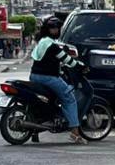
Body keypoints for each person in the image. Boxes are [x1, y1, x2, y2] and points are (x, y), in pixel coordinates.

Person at [28, 16, 88, 144]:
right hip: (48, 78)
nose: (57, 30)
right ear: (51, 30)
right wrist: (80, 66)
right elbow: (66, 60)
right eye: (55, 28)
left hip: (34, 76)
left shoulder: (42, 41)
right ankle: (75, 133)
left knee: (46, 101)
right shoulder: (52, 46)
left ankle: (35, 130)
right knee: (69, 98)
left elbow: (49, 59)